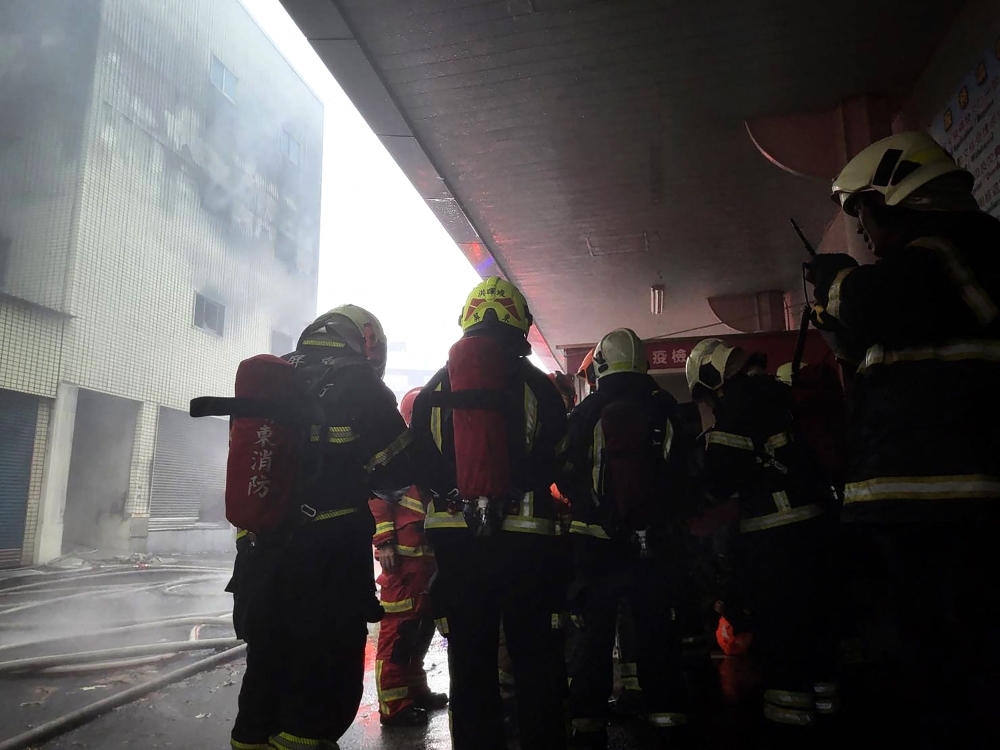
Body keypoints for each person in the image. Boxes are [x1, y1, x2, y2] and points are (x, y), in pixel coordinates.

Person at [809, 130, 1000, 746]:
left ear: (897, 195)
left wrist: (835, 284)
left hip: (943, 514)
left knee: (946, 674)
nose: (864, 230)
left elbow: (869, 304)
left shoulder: (950, 249)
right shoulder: (939, 270)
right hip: (932, 512)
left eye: (865, 212)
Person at [230, 305, 414, 750]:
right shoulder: (360, 384)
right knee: (321, 677)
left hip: (257, 556)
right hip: (325, 559)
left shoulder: (273, 376)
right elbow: (397, 474)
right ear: (368, 341)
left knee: (265, 670)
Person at [410, 276, 569, 750]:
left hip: (457, 545)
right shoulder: (538, 386)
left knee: (471, 656)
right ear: (519, 321)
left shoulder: (435, 389)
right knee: (532, 652)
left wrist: (457, 497)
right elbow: (558, 456)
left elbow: (419, 462)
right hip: (526, 542)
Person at [686, 338, 838, 742]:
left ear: (714, 377)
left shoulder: (739, 401)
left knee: (782, 634)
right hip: (815, 527)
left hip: (776, 535)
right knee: (815, 630)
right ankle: (830, 713)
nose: (711, 404)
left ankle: (789, 724)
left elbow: (719, 475)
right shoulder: (777, 392)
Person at [564, 328, 696, 748]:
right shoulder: (666, 408)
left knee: (594, 633)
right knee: (656, 627)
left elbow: (564, 470)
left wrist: (592, 509)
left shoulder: (586, 412)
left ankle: (587, 721)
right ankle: (666, 715)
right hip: (655, 543)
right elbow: (685, 473)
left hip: (596, 545)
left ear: (602, 363)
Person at [369, 387, 448, 728]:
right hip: (402, 559)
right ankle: (394, 706)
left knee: (420, 630)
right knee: (399, 634)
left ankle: (415, 691)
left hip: (426, 557)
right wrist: (385, 540)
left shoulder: (427, 451)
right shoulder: (396, 452)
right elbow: (377, 495)